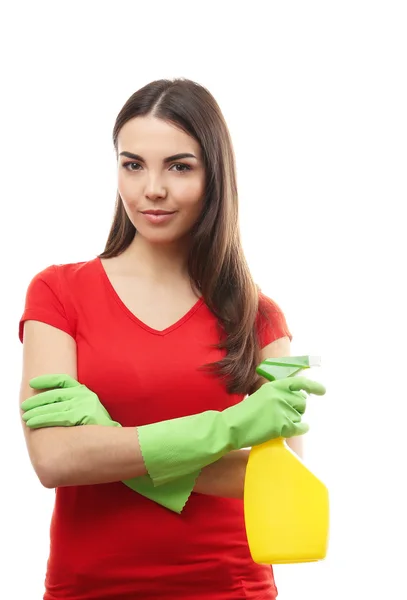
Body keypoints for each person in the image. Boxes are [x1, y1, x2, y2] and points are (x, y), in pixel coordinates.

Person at [18, 78, 326, 600]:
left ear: (214, 177)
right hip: (89, 589)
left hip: (229, 587)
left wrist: (105, 435)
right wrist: (230, 427)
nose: (151, 189)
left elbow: (277, 479)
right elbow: (54, 460)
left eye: (179, 166)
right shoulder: (57, 292)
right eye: (132, 164)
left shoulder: (259, 316)